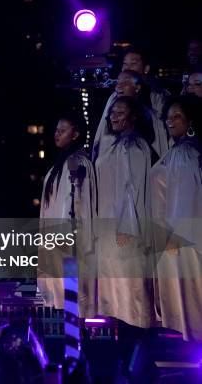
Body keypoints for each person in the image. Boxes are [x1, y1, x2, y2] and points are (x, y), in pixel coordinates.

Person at [94, 96, 154, 329]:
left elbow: (134, 190)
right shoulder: (116, 145)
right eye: (111, 112)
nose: (113, 116)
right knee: (117, 303)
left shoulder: (135, 147)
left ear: (134, 116)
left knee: (132, 300)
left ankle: (139, 358)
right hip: (110, 233)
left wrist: (128, 228)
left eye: (119, 112)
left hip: (126, 235)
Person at [150, 95, 202, 341]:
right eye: (168, 117)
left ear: (191, 121)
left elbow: (185, 201)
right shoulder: (181, 152)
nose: (170, 122)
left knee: (191, 306)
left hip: (182, 242)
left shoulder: (184, 155)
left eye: (177, 116)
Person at [37, 112, 96, 317]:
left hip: (70, 244)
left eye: (63, 130)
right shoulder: (59, 165)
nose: (57, 134)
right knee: (64, 300)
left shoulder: (79, 163)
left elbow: (82, 206)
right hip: (57, 243)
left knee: (73, 300)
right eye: (56, 130)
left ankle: (77, 345)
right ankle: (71, 345)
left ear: (76, 134)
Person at [93, 47, 169, 161]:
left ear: (146, 68)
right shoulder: (114, 97)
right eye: (125, 64)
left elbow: (161, 135)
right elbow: (102, 131)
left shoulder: (158, 96)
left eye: (133, 64)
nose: (127, 68)